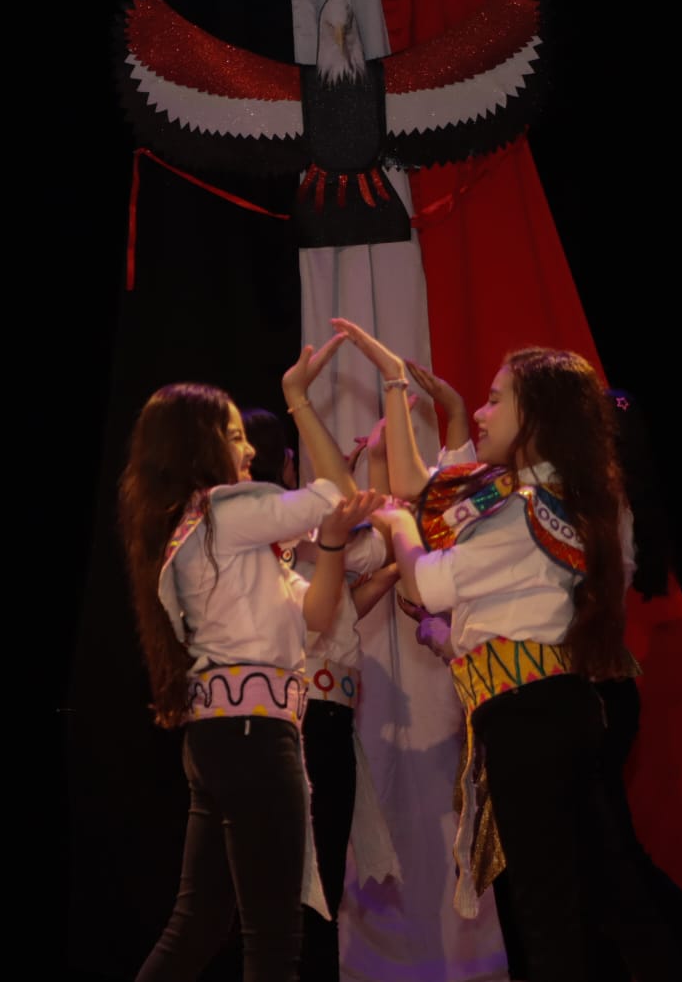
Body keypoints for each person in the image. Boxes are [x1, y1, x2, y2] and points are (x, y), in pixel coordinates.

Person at [333, 315, 682, 981]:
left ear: (538, 418)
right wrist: (401, 390)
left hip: (531, 714)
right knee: (606, 891)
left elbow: (429, 579)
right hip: (548, 707)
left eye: (496, 399)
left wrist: (399, 526)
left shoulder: (523, 507)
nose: (481, 410)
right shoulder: (559, 498)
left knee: (549, 903)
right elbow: (435, 496)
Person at [119, 337, 384, 982]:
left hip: (229, 735)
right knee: (271, 941)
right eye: (235, 437)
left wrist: (330, 543)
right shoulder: (225, 511)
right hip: (251, 736)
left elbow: (315, 615)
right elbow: (335, 494)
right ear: (199, 445)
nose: (248, 451)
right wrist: (298, 399)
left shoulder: (209, 528)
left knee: (199, 927)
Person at [236, 407, 401, 982]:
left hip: (324, 716)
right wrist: (362, 473)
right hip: (303, 720)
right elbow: (372, 542)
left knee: (316, 885)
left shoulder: (292, 539)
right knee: (303, 890)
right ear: (283, 462)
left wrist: (391, 572)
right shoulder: (274, 534)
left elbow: (347, 597)